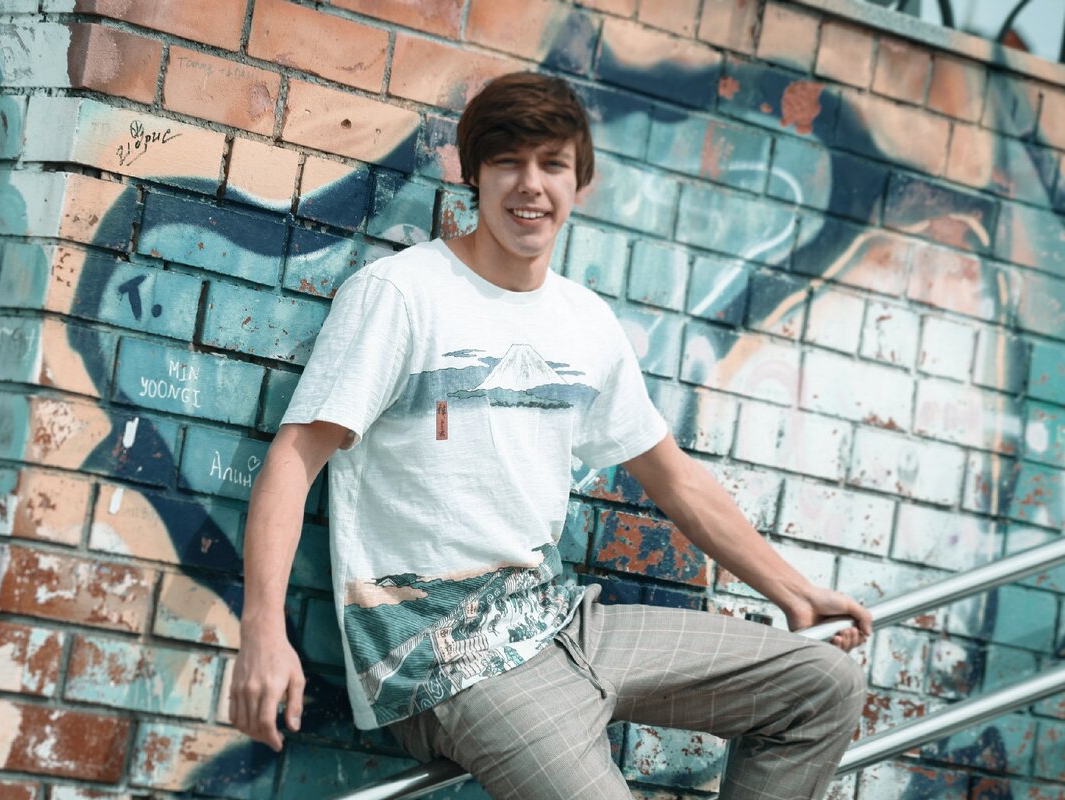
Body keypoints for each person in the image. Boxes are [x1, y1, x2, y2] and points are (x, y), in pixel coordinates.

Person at [230, 71, 872, 800]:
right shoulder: (402, 294)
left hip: (565, 621)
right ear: (474, 174)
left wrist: (795, 592)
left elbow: (674, 478)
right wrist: (263, 631)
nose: (530, 184)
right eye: (508, 162)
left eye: (552, 164)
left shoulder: (584, 320)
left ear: (578, 181)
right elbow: (295, 459)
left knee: (824, 686)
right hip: (447, 657)